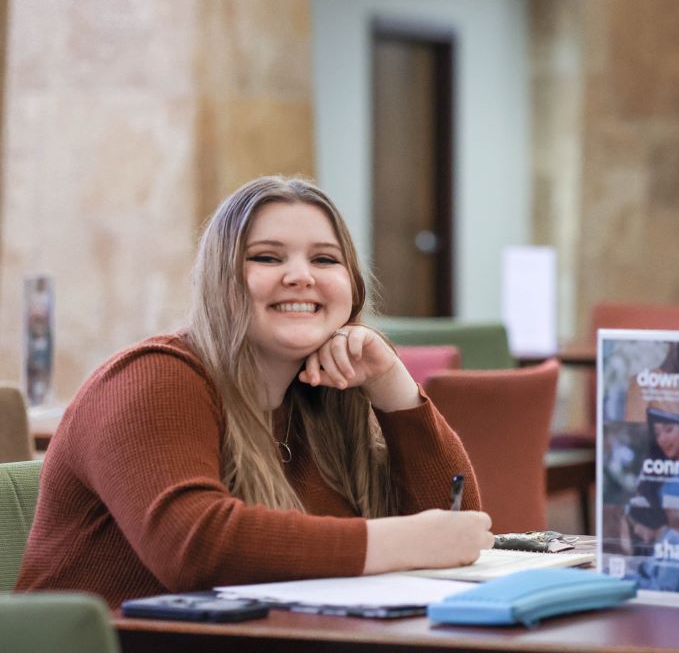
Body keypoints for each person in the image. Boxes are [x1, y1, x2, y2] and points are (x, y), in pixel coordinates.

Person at [16, 176, 493, 607]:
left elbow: (455, 530)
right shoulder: (155, 375)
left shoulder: (322, 399)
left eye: (324, 259)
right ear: (221, 280)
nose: (301, 275)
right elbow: (195, 547)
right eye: (267, 257)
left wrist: (395, 388)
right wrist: (401, 542)